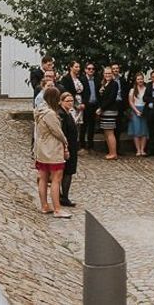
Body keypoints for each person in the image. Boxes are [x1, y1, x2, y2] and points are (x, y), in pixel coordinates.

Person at [34, 86, 71, 218]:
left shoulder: (40, 110)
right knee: (56, 178)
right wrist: (65, 142)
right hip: (52, 149)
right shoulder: (50, 113)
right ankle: (57, 209)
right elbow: (57, 132)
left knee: (43, 177)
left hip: (42, 149)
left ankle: (44, 205)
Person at [58, 91, 80, 208]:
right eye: (67, 101)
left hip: (72, 146)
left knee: (69, 172)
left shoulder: (68, 113)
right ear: (61, 102)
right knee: (66, 172)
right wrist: (65, 149)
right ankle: (63, 197)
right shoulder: (62, 115)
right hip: (66, 147)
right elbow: (62, 133)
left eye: (71, 101)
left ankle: (64, 195)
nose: (70, 103)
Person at [95, 66, 121, 160]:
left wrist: (101, 108)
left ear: (112, 74)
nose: (107, 75)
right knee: (106, 132)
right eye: (106, 73)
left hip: (110, 110)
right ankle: (110, 152)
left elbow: (111, 98)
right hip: (104, 111)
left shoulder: (114, 84)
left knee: (110, 132)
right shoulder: (104, 84)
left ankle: (113, 153)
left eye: (109, 73)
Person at [128, 73, 149, 156]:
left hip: (144, 110)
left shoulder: (147, 89)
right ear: (136, 81)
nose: (140, 80)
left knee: (144, 130)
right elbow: (130, 101)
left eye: (141, 79)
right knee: (136, 130)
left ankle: (143, 149)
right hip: (135, 110)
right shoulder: (132, 90)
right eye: (138, 79)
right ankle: (138, 150)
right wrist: (136, 111)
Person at [80, 62, 100, 151]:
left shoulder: (97, 80)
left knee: (92, 125)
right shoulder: (82, 80)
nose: (91, 70)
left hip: (94, 105)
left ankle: (90, 144)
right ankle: (82, 144)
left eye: (92, 69)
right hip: (86, 105)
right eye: (89, 68)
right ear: (85, 70)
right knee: (83, 125)